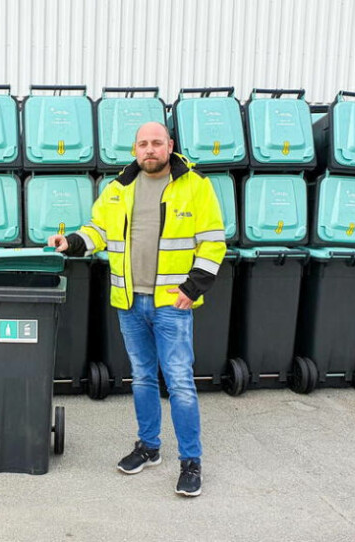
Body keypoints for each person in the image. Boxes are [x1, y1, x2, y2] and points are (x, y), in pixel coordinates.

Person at [48, 122, 225, 496]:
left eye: (156, 143)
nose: (149, 150)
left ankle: (191, 461)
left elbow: (213, 242)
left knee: (179, 383)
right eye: (143, 144)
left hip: (172, 303)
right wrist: (72, 242)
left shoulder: (195, 185)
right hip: (129, 301)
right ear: (135, 148)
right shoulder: (118, 188)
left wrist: (193, 288)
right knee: (142, 378)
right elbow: (97, 231)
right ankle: (149, 447)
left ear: (170, 145)